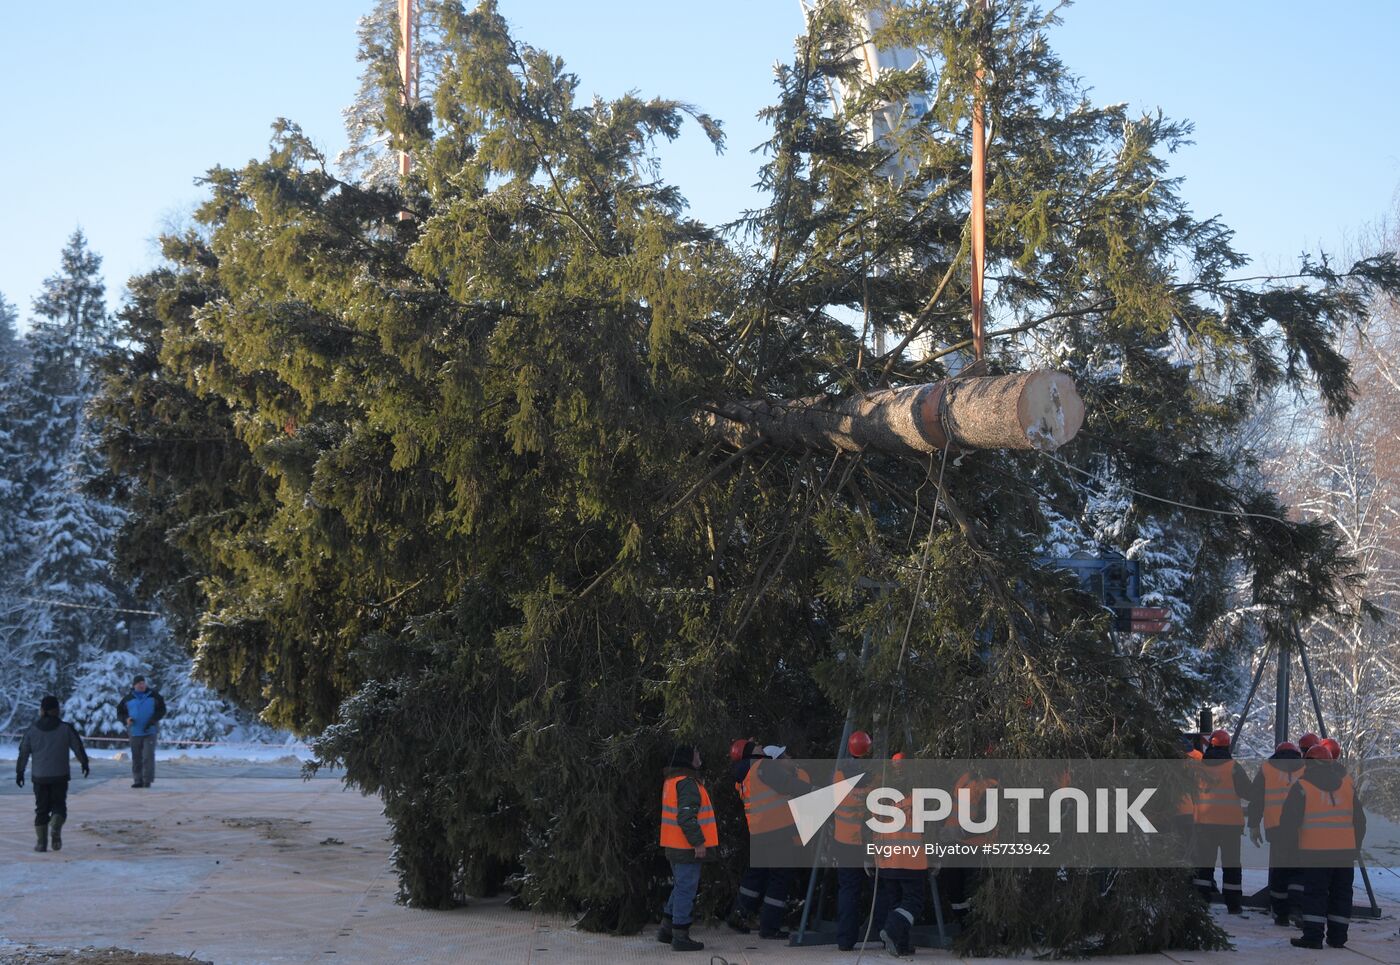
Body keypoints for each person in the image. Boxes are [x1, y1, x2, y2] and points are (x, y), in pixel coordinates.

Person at [1279, 743, 1365, 949]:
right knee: (1342, 894)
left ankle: (1313, 937)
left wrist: (1291, 849)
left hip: (1315, 852)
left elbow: (1288, 823)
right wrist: (1355, 847)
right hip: (1344, 853)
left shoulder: (1302, 787)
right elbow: (1360, 821)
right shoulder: (1347, 786)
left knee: (1315, 894)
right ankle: (1337, 938)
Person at [726, 742, 810, 940]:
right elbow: (787, 784)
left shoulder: (743, 776)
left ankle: (739, 914)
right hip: (777, 831)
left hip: (758, 833)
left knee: (755, 876)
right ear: (751, 753)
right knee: (779, 878)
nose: (760, 746)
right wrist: (814, 789)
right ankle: (769, 926)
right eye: (756, 746)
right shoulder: (763, 767)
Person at [657, 744, 717, 953]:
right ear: (688, 759)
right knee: (686, 889)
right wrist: (698, 842)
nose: (700, 756)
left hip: (675, 844)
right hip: (686, 847)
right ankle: (680, 936)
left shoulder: (673, 780)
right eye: (696, 754)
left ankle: (667, 928)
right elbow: (686, 817)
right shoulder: (687, 783)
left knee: (680, 886)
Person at [16, 695, 90, 852]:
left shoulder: (32, 730)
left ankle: (41, 843)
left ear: (42, 710)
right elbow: (77, 746)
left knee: (41, 809)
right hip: (60, 776)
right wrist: (84, 762)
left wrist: (20, 772)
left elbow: (23, 752)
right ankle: (55, 825)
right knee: (59, 806)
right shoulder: (66, 728)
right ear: (57, 710)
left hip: (39, 777)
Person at [1192, 729, 1251, 913]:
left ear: (1210, 745)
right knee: (1231, 864)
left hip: (1204, 823)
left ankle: (1201, 901)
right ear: (1228, 746)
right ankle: (1233, 904)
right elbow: (1247, 792)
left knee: (1204, 864)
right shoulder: (1233, 768)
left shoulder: (1199, 767)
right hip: (1230, 825)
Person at [1247, 740, 1304, 925]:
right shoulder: (1305, 768)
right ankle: (1296, 907)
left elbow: (1256, 799)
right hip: (1299, 828)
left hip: (1276, 828)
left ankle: (1280, 914)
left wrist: (1254, 825)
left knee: (1279, 871)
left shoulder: (1267, 769)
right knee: (1297, 870)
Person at [833, 730, 873, 952]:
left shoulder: (838, 776)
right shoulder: (875, 779)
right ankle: (888, 932)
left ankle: (846, 940)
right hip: (867, 842)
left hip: (844, 841)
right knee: (882, 887)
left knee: (848, 889)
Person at [117, 675, 165, 788]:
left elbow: (162, 710)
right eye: (139, 683)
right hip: (134, 731)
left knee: (148, 755)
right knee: (136, 756)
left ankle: (147, 780)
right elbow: (120, 712)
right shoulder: (128, 698)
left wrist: (153, 720)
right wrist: (126, 719)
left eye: (143, 683)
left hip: (150, 730)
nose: (142, 685)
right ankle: (138, 780)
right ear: (134, 685)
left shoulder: (154, 696)